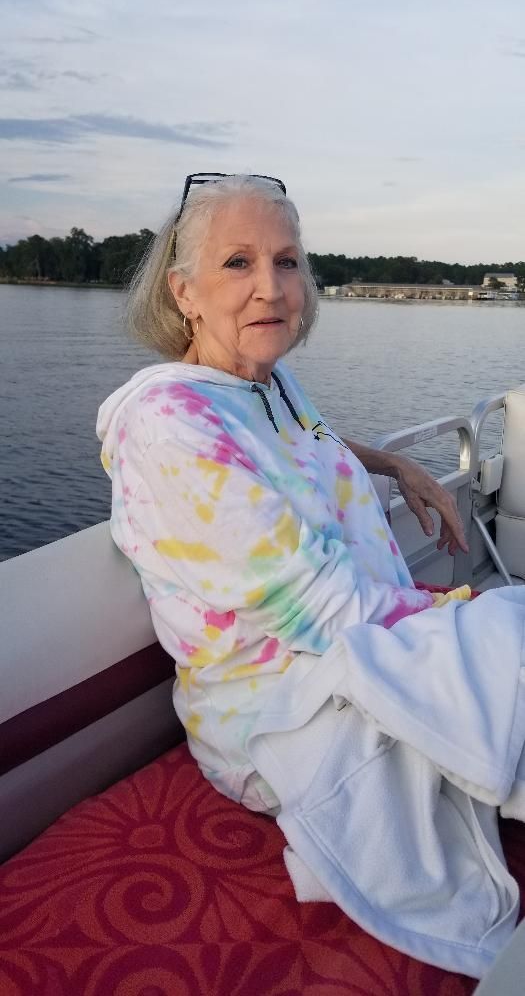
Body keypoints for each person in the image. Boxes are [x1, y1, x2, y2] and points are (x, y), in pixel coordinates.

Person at [96, 172, 469, 812]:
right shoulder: (168, 426)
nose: (269, 287)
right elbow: (317, 610)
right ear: (183, 292)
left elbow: (303, 442)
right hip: (284, 718)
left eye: (286, 261)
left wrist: (392, 464)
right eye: (237, 262)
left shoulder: (267, 384)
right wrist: (456, 625)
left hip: (357, 656)